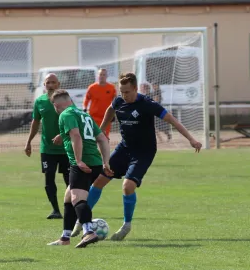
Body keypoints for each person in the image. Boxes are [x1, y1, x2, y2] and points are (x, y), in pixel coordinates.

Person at [71, 72, 202, 241]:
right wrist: (101, 130)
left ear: (134, 88)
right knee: (99, 181)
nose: (123, 95)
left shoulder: (147, 104)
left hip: (144, 151)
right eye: (121, 91)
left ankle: (126, 225)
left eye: (126, 92)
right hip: (124, 148)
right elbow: (110, 110)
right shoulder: (118, 101)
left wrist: (191, 139)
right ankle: (82, 220)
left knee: (127, 186)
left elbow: (173, 120)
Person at [46, 89, 113, 248]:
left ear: (57, 105)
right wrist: (106, 163)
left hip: (83, 162)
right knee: (69, 198)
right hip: (95, 162)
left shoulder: (66, 115)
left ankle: (89, 232)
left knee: (77, 199)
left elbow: (76, 135)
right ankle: (65, 238)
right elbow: (102, 138)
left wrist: (78, 160)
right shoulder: (84, 115)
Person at [25, 73, 69, 219]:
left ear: (58, 84)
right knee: (49, 179)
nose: (50, 85)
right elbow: (35, 122)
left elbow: (74, 119)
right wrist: (29, 141)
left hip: (65, 149)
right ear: (44, 85)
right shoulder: (40, 102)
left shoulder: (66, 100)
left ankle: (72, 208)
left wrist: (63, 136)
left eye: (53, 82)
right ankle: (55, 210)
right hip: (47, 149)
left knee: (70, 180)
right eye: (48, 82)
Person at [83, 68, 117, 137]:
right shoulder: (92, 87)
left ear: (107, 76)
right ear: (98, 76)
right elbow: (86, 99)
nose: (102, 76)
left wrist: (113, 113)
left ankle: (105, 148)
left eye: (104, 75)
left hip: (106, 117)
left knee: (105, 137)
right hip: (94, 117)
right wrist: (84, 108)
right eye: (100, 74)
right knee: (93, 137)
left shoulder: (111, 88)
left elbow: (115, 101)